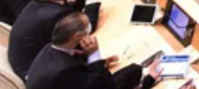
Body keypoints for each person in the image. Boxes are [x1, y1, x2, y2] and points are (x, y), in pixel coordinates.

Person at [25, 11, 159, 89]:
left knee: (133, 71)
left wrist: (92, 59)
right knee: (133, 75)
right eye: (87, 26)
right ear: (77, 36)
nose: (90, 27)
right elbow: (105, 86)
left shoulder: (49, 48)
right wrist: (94, 54)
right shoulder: (64, 72)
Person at [9, 0, 101, 80]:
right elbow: (86, 28)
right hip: (39, 73)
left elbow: (70, 13)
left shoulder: (41, 3)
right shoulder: (53, 15)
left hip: (27, 60)